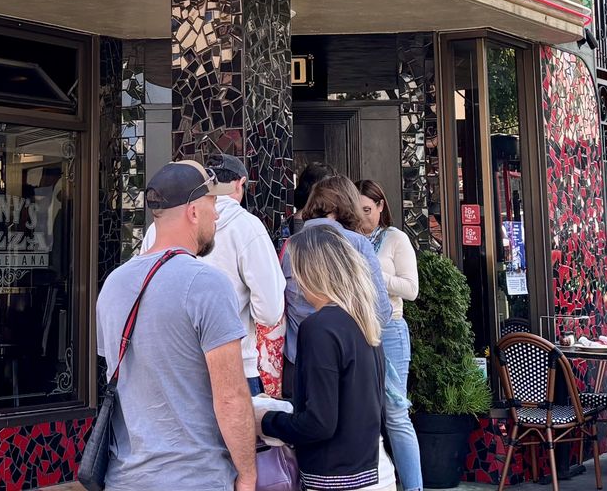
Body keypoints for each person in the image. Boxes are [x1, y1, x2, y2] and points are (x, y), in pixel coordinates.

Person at [96, 160, 258, 491]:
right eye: (213, 204)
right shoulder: (208, 283)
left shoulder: (113, 283)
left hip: (124, 478)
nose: (217, 215)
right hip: (196, 478)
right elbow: (230, 397)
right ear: (193, 212)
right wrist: (248, 474)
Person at [141, 154, 287, 395]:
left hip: (173, 366)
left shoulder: (160, 228)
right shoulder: (248, 226)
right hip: (236, 365)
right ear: (240, 184)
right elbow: (270, 311)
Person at [258, 225, 388, 491]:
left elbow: (319, 423)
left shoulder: (319, 327)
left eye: (294, 272)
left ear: (311, 272)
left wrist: (264, 421)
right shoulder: (363, 320)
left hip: (334, 477)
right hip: (372, 469)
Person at [283, 176, 394, 394]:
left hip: (299, 360)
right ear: (348, 204)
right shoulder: (358, 243)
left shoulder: (290, 246)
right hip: (350, 362)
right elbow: (381, 311)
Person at [356, 179, 423, 491]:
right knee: (365, 412)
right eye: (358, 210)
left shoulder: (396, 238)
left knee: (396, 415)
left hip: (391, 328)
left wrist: (373, 271)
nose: (363, 216)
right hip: (359, 328)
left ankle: (413, 486)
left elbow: (411, 289)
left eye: (368, 209)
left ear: (381, 206)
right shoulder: (352, 239)